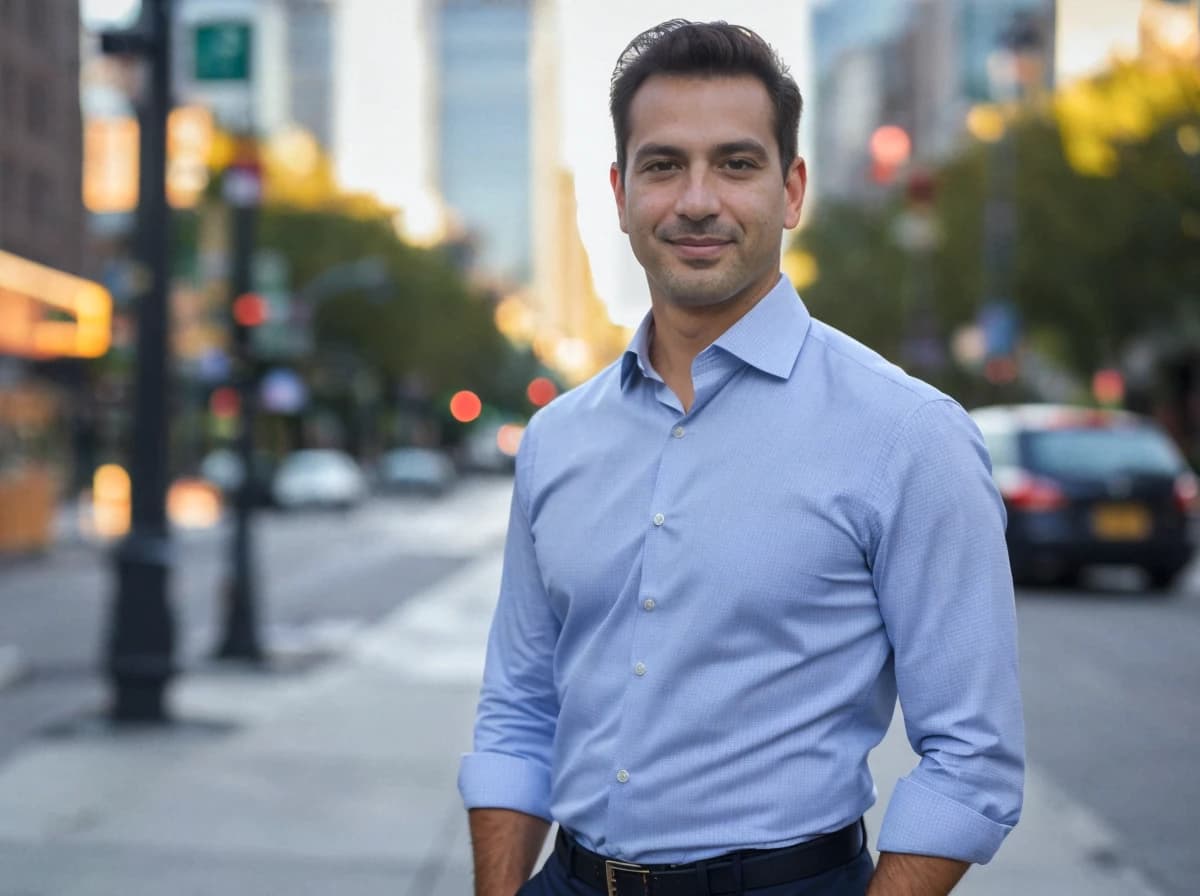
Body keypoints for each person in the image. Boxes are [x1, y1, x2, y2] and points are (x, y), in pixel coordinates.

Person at [459, 19, 1024, 896]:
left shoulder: (909, 435)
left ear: (791, 189)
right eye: (662, 165)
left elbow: (974, 757)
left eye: (735, 163)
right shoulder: (556, 438)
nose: (696, 200)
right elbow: (519, 712)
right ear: (619, 192)